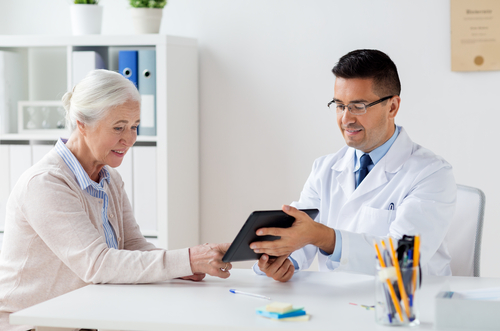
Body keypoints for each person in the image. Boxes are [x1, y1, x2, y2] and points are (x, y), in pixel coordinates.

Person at [0, 70, 232, 331]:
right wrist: (187, 259)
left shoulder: (109, 178)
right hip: (31, 325)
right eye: (119, 127)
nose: (129, 138)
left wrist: (181, 265)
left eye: (134, 126)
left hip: (84, 318)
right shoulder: (46, 184)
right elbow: (97, 264)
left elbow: (132, 246)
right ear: (82, 124)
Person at [250, 49, 456, 282]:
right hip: (338, 305)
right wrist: (283, 261)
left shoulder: (431, 173)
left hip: (407, 308)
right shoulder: (325, 168)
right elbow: (302, 237)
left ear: (392, 107)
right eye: (339, 105)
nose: (346, 119)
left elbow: (403, 257)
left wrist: (324, 237)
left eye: (358, 106)